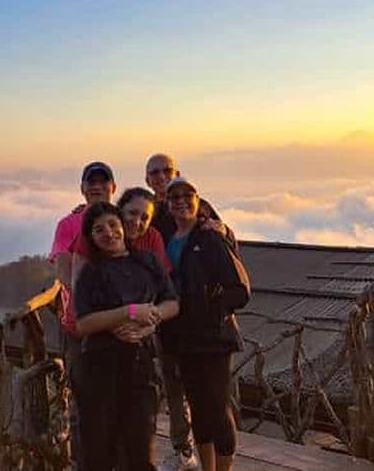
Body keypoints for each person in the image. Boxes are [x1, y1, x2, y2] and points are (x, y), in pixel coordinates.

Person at [145, 154, 235, 470]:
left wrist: (211, 312)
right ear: (147, 180)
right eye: (154, 172)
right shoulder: (151, 213)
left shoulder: (202, 214)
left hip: (208, 332)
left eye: (166, 171)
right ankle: (184, 451)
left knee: (215, 405)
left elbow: (231, 260)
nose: (160, 177)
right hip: (173, 326)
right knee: (181, 392)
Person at [74, 202, 180, 470]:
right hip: (99, 367)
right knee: (98, 450)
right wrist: (129, 312)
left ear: (122, 225)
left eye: (112, 224)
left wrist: (150, 321)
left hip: (140, 364)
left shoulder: (147, 262)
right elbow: (83, 323)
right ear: (91, 238)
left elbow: (172, 303)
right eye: (99, 230)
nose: (108, 233)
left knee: (140, 447)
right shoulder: (90, 272)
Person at [160, 177, 250, 471]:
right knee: (198, 408)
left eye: (187, 195)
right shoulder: (168, 238)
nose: (181, 201)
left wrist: (210, 311)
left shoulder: (210, 238)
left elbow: (240, 290)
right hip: (182, 338)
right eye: (174, 197)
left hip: (213, 339)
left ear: (199, 200)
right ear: (166, 204)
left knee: (218, 409)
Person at [48, 161, 117, 468]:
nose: (97, 187)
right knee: (83, 402)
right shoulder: (69, 224)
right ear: (82, 188)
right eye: (91, 183)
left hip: (117, 327)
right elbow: (63, 267)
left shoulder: (121, 221)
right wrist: (87, 298)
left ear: (113, 188)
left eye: (103, 182)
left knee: (117, 398)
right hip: (79, 326)